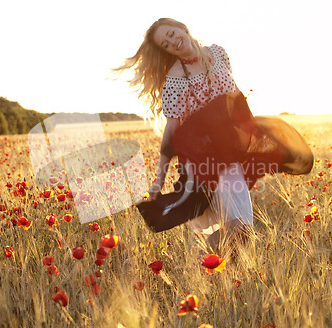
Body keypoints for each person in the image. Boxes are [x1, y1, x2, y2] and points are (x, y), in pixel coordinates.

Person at [113, 18, 314, 249]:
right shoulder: (175, 79)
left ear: (182, 27)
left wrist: (254, 134)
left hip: (232, 152)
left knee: (240, 231)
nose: (172, 42)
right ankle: (204, 267)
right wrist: (159, 178)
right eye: (165, 44)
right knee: (239, 229)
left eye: (171, 34)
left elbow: (234, 96)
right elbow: (172, 130)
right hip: (205, 160)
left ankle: (202, 266)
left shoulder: (218, 53)